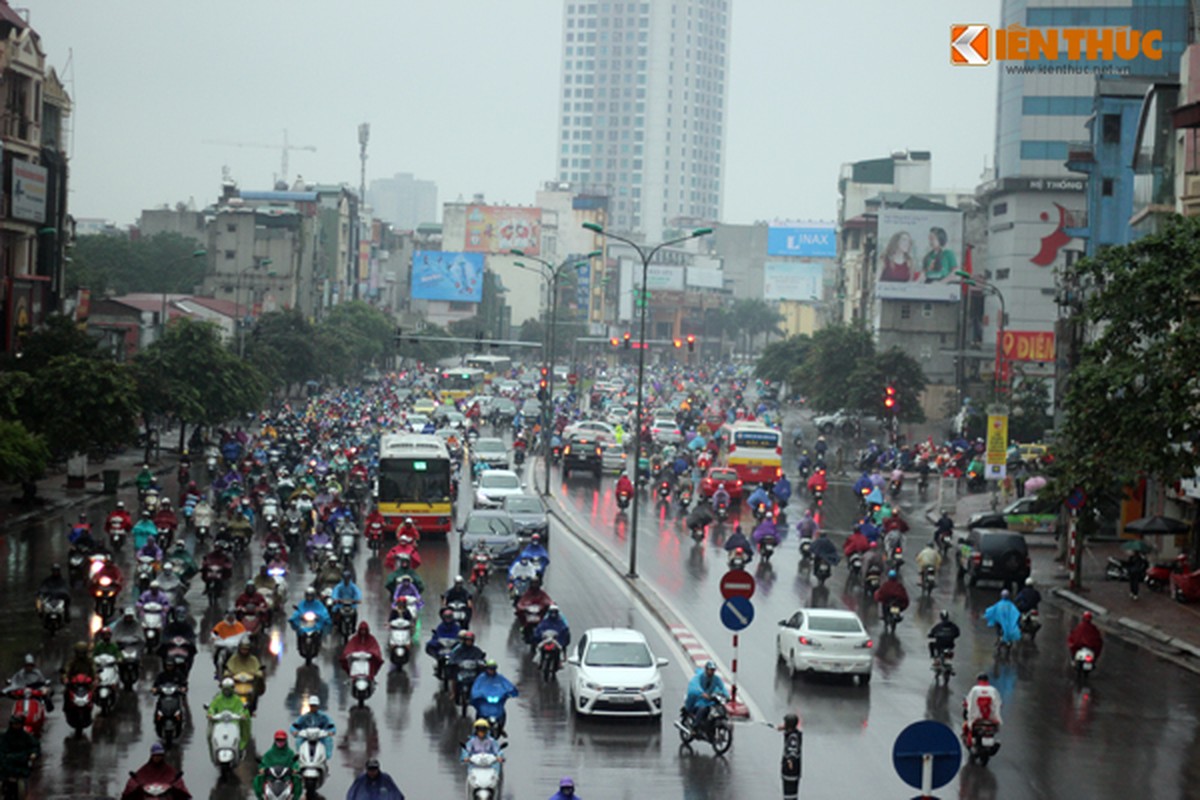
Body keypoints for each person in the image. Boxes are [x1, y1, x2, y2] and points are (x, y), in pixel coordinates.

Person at [121, 743, 191, 800]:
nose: (157, 757)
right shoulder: (145, 769)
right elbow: (138, 779)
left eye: (160, 755)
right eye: (155, 755)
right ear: (152, 756)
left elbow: (176, 781)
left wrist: (176, 783)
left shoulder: (169, 770)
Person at [470, 660, 518, 734]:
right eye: (490, 669)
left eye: (493, 669)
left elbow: (508, 685)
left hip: (497, 703)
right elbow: (475, 688)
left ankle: (501, 728)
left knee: (502, 712)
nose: (491, 671)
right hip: (484, 703)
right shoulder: (481, 678)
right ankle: (476, 730)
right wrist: (478, 694)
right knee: (479, 713)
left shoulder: (500, 678)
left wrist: (510, 691)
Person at [252, 730, 301, 800]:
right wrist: (262, 769)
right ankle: (261, 798)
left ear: (286, 740)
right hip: (271, 779)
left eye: (282, 740)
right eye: (278, 740)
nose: (280, 742)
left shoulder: (290, 753)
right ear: (275, 740)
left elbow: (295, 763)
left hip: (286, 779)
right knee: (258, 778)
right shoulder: (269, 754)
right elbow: (263, 763)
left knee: (297, 778)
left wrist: (295, 769)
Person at [207, 678, 251, 750]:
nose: (227, 691)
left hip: (234, 724)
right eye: (225, 689)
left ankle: (241, 746)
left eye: (229, 689)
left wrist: (242, 715)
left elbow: (241, 709)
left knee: (246, 721)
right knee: (209, 734)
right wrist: (210, 714)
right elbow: (212, 707)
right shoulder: (218, 699)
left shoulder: (237, 699)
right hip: (219, 723)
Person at [684, 661, 727, 736]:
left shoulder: (716, 679)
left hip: (710, 701)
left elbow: (722, 688)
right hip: (699, 700)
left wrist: (727, 696)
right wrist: (702, 693)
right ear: (706, 669)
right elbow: (694, 686)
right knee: (702, 709)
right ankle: (695, 727)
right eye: (710, 670)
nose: (712, 672)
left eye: (713, 670)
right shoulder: (699, 677)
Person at [962, 673, 1002, 748]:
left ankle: (969, 741)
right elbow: (998, 703)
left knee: (965, 725)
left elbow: (969, 702)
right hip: (991, 719)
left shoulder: (975, 689)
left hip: (976, 718)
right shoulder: (993, 690)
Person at [0, 713, 39, 783]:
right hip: (7, 760)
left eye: (18, 724)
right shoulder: (5, 736)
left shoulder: (26, 736)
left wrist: (34, 753)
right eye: (14, 724)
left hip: (21, 760)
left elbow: (34, 746)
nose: (16, 726)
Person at [777, 713, 802, 800]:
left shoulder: (793, 738)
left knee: (790, 796)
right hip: (791, 772)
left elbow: (792, 751)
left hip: (790, 773)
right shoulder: (793, 734)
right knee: (790, 795)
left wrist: (790, 761)